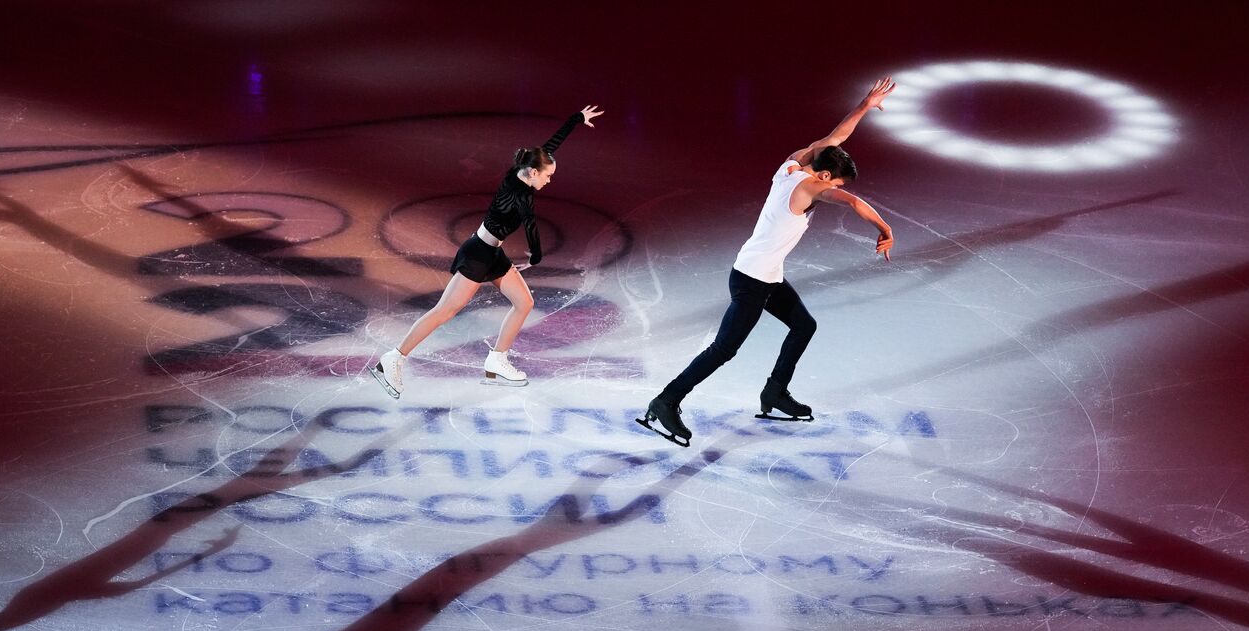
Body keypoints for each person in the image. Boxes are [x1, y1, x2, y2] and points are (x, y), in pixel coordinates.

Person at [638, 79, 896, 446]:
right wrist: (884, 227)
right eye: (835, 183)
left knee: (804, 326)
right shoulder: (809, 188)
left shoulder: (794, 164)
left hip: (767, 275)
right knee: (724, 350)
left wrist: (865, 105)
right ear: (824, 178)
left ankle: (775, 392)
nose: (836, 189)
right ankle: (666, 401)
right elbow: (854, 203)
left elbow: (833, 139)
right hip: (751, 280)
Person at [370, 105, 604, 397]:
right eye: (548, 176)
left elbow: (550, 146)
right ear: (533, 172)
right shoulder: (521, 197)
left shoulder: (521, 172)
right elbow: (531, 227)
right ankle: (394, 358)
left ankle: (497, 359)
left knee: (524, 302)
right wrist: (536, 257)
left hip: (492, 253)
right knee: (445, 310)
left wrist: (577, 119)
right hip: (478, 254)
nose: (549, 180)